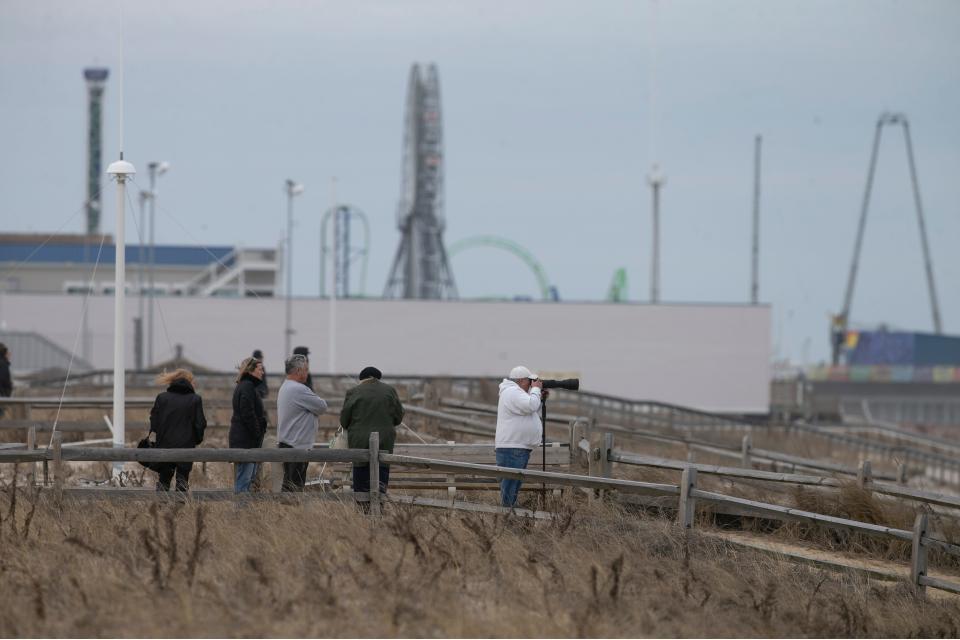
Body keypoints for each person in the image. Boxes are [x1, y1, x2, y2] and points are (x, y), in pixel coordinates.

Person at [340, 366, 404, 496]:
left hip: (359, 445)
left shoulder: (353, 392)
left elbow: (344, 421)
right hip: (384, 443)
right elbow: (398, 417)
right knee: (380, 481)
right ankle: (378, 510)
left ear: (362, 379)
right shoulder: (390, 391)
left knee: (361, 482)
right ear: (378, 378)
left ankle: (362, 511)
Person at [494, 365, 548, 508]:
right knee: (510, 488)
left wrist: (540, 398)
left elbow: (530, 410)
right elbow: (530, 405)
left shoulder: (514, 393)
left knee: (512, 487)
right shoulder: (512, 392)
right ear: (522, 381)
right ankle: (507, 518)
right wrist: (536, 390)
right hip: (513, 448)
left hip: (516, 448)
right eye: (530, 381)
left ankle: (509, 518)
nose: (532, 384)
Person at [149, 368, 207, 492]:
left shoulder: (162, 398)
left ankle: (160, 508)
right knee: (182, 481)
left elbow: (154, 422)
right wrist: (196, 440)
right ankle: (179, 509)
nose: (194, 384)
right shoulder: (195, 399)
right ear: (188, 381)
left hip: (164, 445)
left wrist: (158, 439)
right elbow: (200, 424)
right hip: (186, 446)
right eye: (193, 381)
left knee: (164, 480)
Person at [277, 354, 328, 491]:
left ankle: (286, 510)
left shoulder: (286, 386)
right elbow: (322, 406)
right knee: (294, 485)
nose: (307, 373)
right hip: (297, 444)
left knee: (289, 483)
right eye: (306, 369)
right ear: (298, 371)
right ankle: (291, 510)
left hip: (288, 442)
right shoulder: (299, 389)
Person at [229, 357, 268, 492]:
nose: (262, 372)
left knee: (248, 479)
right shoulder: (247, 387)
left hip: (246, 439)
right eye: (260, 369)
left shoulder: (247, 386)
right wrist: (257, 432)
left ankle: (245, 510)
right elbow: (247, 413)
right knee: (244, 480)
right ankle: (240, 510)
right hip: (245, 441)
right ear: (251, 370)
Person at [0, 343, 11, 418]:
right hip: (2, 395)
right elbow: (3, 380)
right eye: (7, 352)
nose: (10, 354)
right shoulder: (3, 364)